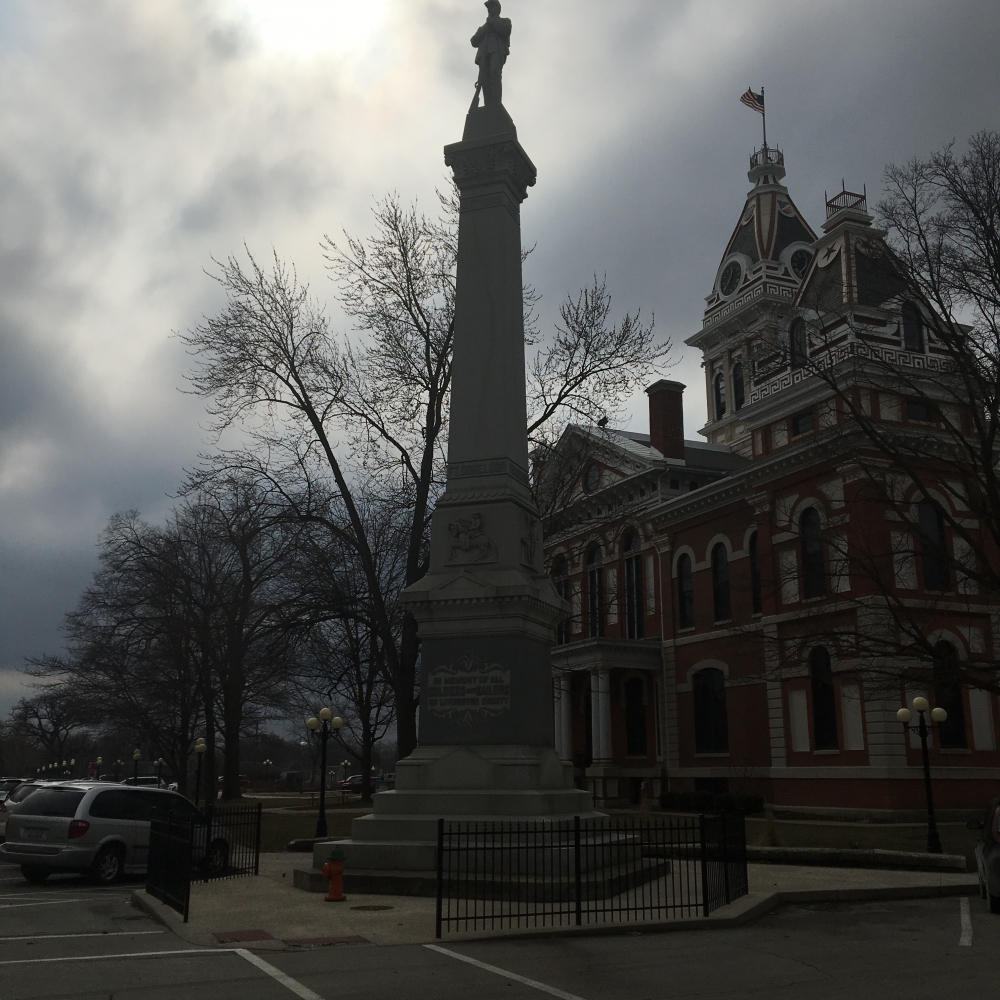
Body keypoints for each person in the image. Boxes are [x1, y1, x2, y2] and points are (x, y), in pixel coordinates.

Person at [471, 0, 511, 107]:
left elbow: (506, 31)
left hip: (497, 51)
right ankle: (488, 105)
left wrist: (491, 22)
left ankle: (496, 103)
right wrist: (485, 28)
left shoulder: (505, 21)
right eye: (488, 7)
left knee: (494, 72)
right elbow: (473, 41)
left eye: (492, 6)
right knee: (485, 80)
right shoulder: (484, 27)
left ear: (498, 8)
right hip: (483, 55)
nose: (489, 9)